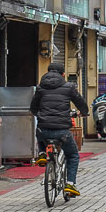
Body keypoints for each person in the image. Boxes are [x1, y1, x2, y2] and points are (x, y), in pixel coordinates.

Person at [31, 63, 90, 196]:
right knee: (73, 155)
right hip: (62, 131)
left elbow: (33, 108)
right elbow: (80, 102)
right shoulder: (69, 87)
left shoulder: (40, 88)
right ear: (63, 74)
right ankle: (70, 184)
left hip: (44, 130)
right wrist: (84, 112)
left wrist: (40, 114)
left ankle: (41, 153)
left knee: (40, 132)